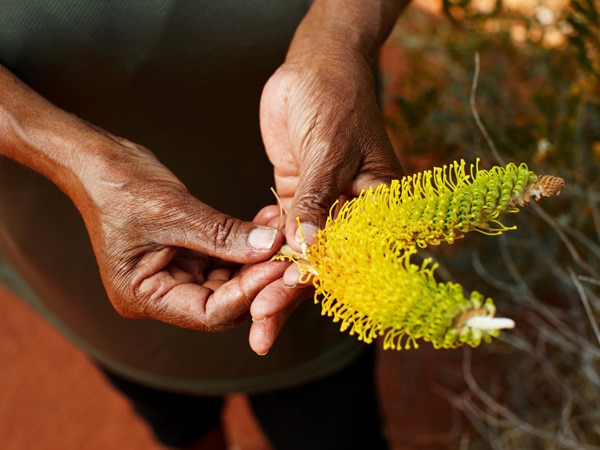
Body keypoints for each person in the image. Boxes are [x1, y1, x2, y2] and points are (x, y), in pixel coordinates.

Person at [0, 0, 409, 448]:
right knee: (177, 419)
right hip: (79, 237)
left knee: (330, 420)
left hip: (323, 184)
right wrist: (76, 161)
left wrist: (337, 37)